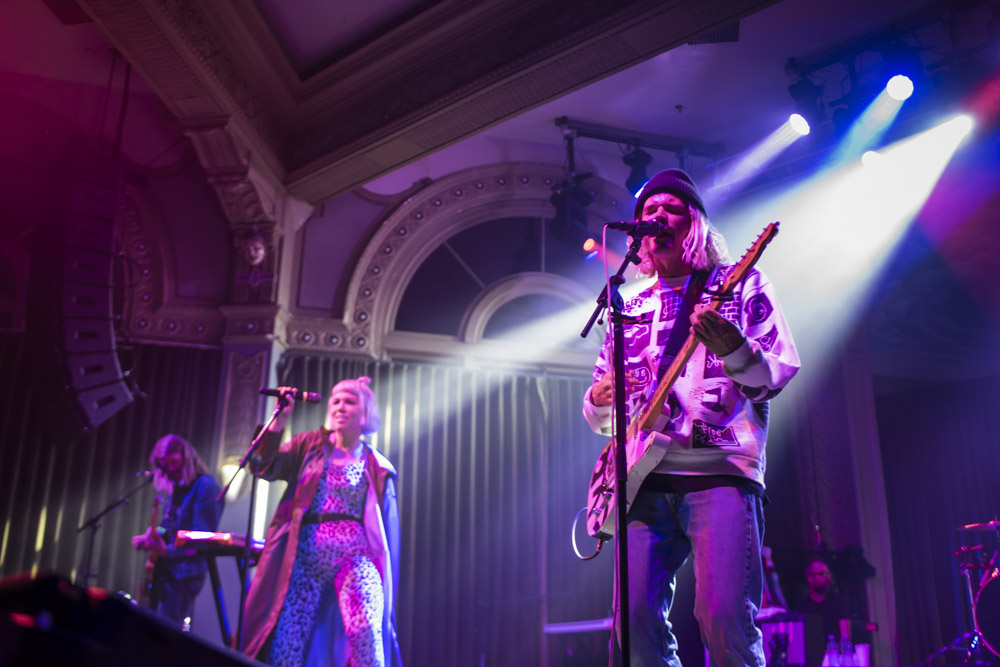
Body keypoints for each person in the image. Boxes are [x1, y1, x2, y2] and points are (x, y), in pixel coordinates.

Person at [582, 169, 800, 666]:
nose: (656, 217)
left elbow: (775, 375)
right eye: (647, 211)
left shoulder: (740, 283)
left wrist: (736, 349)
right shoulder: (629, 305)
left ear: (696, 223)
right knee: (632, 623)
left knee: (722, 617)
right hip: (643, 480)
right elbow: (604, 420)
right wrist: (598, 397)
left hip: (719, 471)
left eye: (669, 209)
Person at [240, 377, 402, 667]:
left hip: (354, 557)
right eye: (335, 401)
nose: (340, 407)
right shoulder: (309, 446)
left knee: (365, 629)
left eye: (349, 401)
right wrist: (280, 420)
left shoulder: (376, 464)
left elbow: (385, 531)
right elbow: (263, 465)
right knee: (285, 645)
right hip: (303, 559)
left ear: (365, 413)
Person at [131, 433, 224, 628]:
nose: (171, 470)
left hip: (185, 574)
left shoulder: (205, 486)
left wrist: (166, 551)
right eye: (166, 466)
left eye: (174, 463)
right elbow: (168, 526)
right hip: (168, 570)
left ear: (186, 457)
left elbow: (202, 539)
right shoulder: (179, 488)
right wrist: (152, 536)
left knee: (165, 632)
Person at [793, 556, 851, 667]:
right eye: (822, 574)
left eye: (828, 574)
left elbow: (846, 637)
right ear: (810, 578)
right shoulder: (801, 606)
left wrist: (831, 653)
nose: (827, 578)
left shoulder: (840, 602)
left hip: (835, 659)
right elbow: (798, 641)